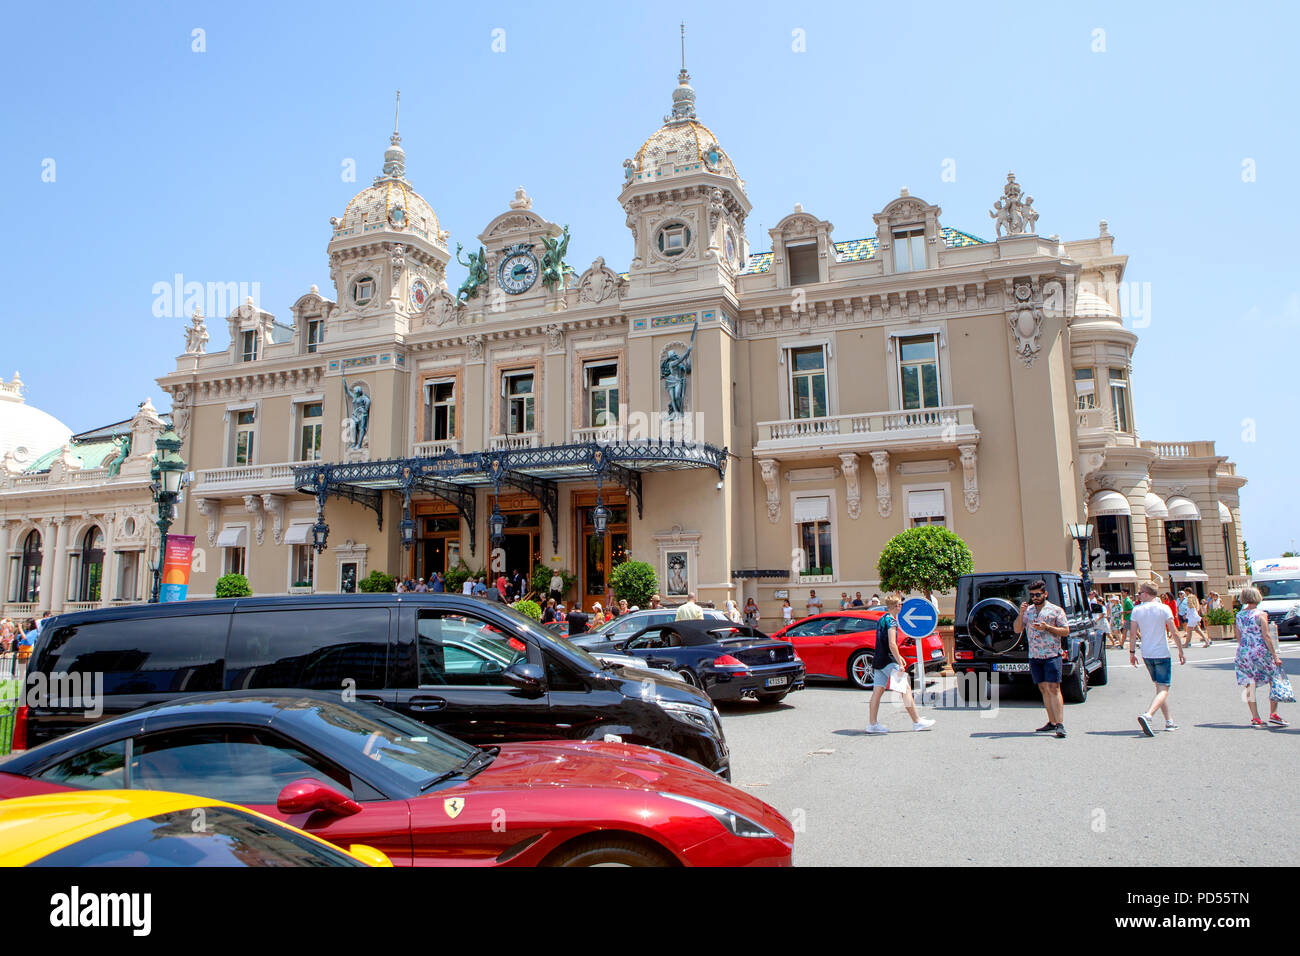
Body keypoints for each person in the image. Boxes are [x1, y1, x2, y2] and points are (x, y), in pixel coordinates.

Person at [865, 593, 935, 734]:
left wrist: (899, 657)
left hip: (879, 660)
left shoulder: (882, 619)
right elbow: (892, 643)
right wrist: (899, 661)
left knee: (877, 692)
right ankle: (917, 721)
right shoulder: (892, 622)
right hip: (889, 661)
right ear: (897, 606)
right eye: (901, 604)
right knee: (906, 689)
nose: (902, 606)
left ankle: (872, 724)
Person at [1014, 579, 1069, 738]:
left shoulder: (1055, 610)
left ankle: (1060, 723)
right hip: (1035, 655)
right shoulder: (1029, 611)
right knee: (1044, 688)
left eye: (1038, 594)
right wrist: (1021, 613)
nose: (1035, 597)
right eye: (1032, 595)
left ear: (1045, 594)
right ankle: (1051, 722)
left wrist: (1047, 627)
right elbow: (1018, 629)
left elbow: (1065, 631)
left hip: (1052, 654)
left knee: (1054, 688)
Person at [1128, 581, 1184, 736]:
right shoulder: (1164, 608)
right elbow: (1174, 631)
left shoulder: (1137, 610)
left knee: (1160, 687)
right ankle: (1149, 715)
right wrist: (1180, 650)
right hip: (1161, 651)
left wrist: (1132, 653)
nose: (1139, 595)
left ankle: (1169, 721)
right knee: (1164, 688)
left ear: (1146, 593)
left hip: (1146, 653)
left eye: (1140, 593)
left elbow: (1132, 634)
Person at [1234, 586, 1287, 727]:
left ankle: (1255, 717)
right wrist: (1275, 656)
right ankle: (1273, 713)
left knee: (1249, 684)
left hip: (1244, 651)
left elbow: (1238, 637)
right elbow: (1266, 636)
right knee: (1273, 679)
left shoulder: (1239, 615)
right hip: (1260, 650)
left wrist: (1245, 648)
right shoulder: (1260, 614)